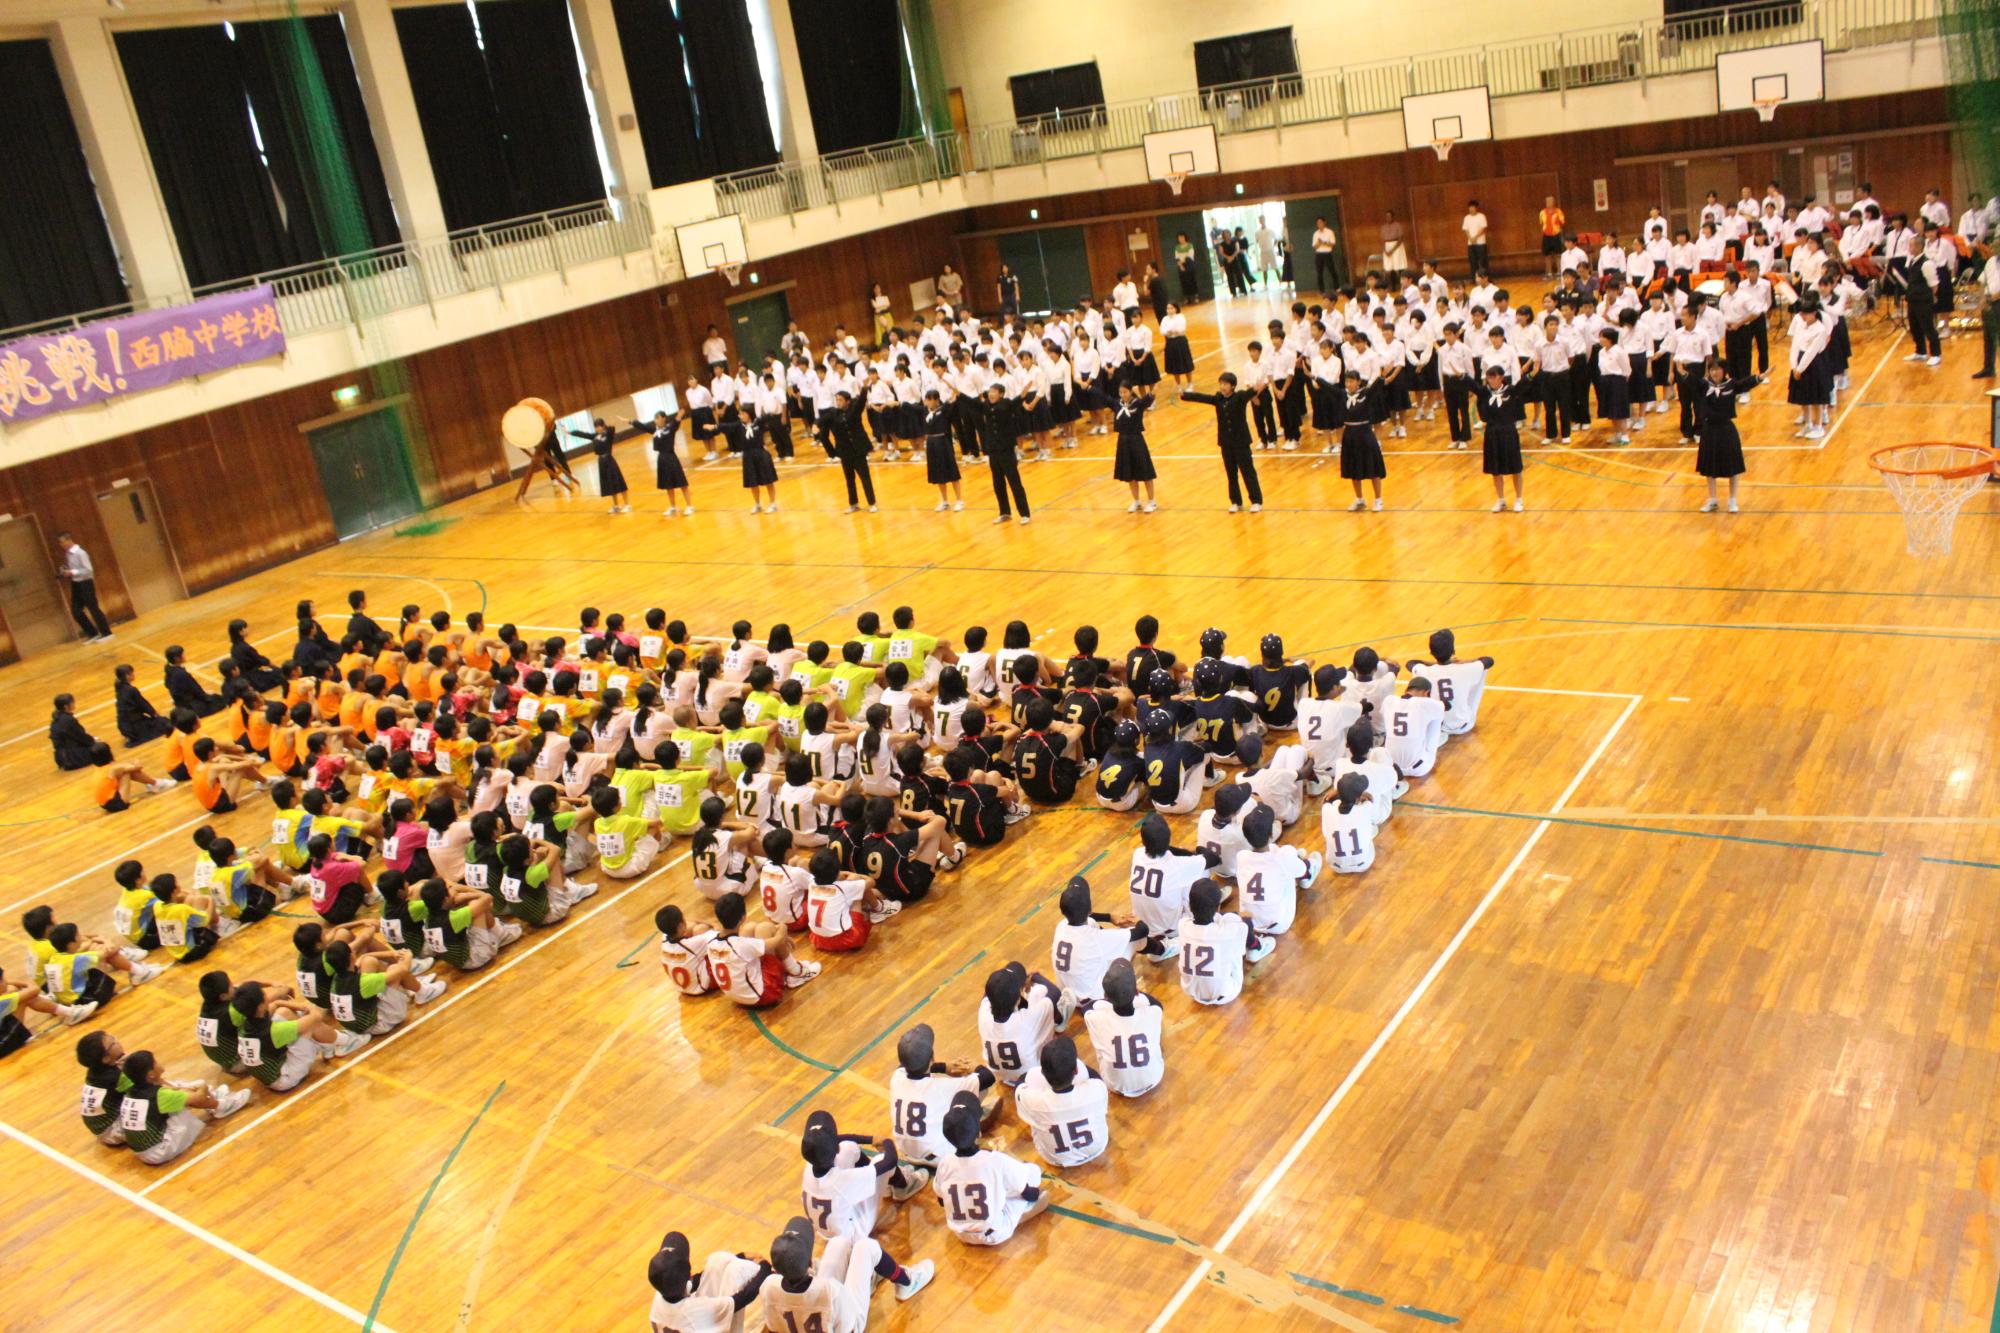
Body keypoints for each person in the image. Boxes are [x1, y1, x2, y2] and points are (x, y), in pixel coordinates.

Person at [760, 1216, 933, 1328]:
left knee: (838, 1243)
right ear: (809, 1264)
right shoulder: (831, 1290)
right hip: (845, 1323)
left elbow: (773, 1327)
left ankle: (866, 1278)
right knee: (866, 1247)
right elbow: (848, 1326)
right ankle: (907, 1282)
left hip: (816, 1307)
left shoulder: (768, 1287)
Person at [933, 1093, 1052, 1246]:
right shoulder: (994, 1160)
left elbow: (942, 1201)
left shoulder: (944, 1163)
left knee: (995, 1186)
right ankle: (1021, 1213)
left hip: (960, 1234)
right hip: (995, 1233)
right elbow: (1031, 1194)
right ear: (979, 1132)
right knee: (1033, 1172)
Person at [114, 1049, 251, 1164]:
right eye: (155, 1061)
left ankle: (214, 1098)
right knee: (182, 1101)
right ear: (150, 1074)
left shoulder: (133, 1090)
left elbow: (167, 1086)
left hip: (144, 1151)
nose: (158, 1062)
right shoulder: (158, 1095)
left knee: (178, 1090)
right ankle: (221, 1106)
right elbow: (198, 1098)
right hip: (160, 1151)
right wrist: (203, 1086)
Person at [1015, 1036, 1110, 1168]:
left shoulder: (1032, 1100)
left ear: (1042, 1073)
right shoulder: (1097, 1088)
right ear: (1076, 1070)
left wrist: (1038, 1073)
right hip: (1097, 1148)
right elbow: (1093, 1076)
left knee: (1033, 1113)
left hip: (1054, 1158)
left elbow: (1020, 1082)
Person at [645, 1231, 768, 1333]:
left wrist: (738, 1257)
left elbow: (698, 1280)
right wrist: (765, 1266)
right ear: (689, 1275)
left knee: (718, 1260)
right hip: (698, 1321)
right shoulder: (697, 1310)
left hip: (693, 1324)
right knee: (737, 1270)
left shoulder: (661, 1295)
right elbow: (744, 1297)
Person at [1050, 876, 1150, 1001]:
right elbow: (1142, 930)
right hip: (1093, 998)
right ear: (1089, 909)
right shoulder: (1096, 938)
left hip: (1068, 994)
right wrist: (1136, 919)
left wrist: (1109, 917)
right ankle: (1162, 950)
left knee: (1093, 927)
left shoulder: (1061, 926)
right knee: (1136, 939)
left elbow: (1090, 918)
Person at [1176, 878, 1270, 1006]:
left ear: (1190, 906)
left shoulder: (1182, 925)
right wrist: (1238, 916)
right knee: (1237, 923)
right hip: (1228, 993)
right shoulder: (1230, 930)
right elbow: (1246, 922)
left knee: (1227, 928)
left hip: (1191, 992)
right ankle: (1257, 947)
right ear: (1218, 907)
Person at [1231, 806, 1322, 938]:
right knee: (1289, 862)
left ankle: (1297, 859)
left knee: (1281, 860)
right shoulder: (1282, 857)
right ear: (1271, 834)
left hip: (1251, 922)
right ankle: (1309, 873)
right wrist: (1293, 858)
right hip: (1279, 923)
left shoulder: (1241, 857)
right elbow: (1298, 869)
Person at [1080, 959, 1163, 1097]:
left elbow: (1087, 1007)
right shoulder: (1153, 1012)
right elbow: (1157, 1004)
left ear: (1105, 996)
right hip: (1153, 1079)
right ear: (1137, 992)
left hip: (1115, 1086)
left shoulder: (1095, 1018)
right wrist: (1133, 991)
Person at [1182, 373, 1264, 513]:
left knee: (1248, 471)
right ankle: (1236, 501)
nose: (1222, 386)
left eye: (1225, 384)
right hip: (1226, 442)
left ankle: (1256, 501)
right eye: (1221, 383)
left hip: (1241, 442)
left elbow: (1251, 392)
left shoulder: (1239, 397)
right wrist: (1186, 395)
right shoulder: (1218, 398)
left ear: (1232, 386)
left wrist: (1256, 388)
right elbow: (1202, 398)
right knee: (1231, 473)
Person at [1695, 357, 1764, 513]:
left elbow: (1745, 383)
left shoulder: (1731, 385)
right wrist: (1680, 370)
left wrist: (1760, 377)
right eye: (1712, 369)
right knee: (1709, 466)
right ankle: (1713, 499)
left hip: (1726, 429)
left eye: (1718, 369)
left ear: (1724, 370)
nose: (1715, 372)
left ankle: (1732, 500)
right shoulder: (1704, 385)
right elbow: (1691, 381)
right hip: (1709, 430)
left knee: (1732, 466)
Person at [977, 382, 1031, 525]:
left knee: (1014, 482)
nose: (991, 394)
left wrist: (1023, 395)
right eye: (990, 391)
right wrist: (959, 395)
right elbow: (973, 403)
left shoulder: (1006, 404)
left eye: (994, 391)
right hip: (993, 451)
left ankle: (1025, 513)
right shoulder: (986, 405)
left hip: (1006, 450)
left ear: (1000, 394)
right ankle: (1005, 512)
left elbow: (1015, 403)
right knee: (998, 483)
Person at [1479, 364, 1528, 512]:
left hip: (1508, 431)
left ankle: (1519, 499)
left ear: (1501, 377)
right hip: (1492, 433)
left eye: (1493, 377)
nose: (1490, 380)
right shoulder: (1485, 393)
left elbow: (1523, 385)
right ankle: (1500, 499)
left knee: (1515, 468)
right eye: (1488, 377)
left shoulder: (1510, 391)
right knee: (1495, 469)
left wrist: (1531, 373)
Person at [1383, 677, 1446, 778]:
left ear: (1406, 690)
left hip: (1391, 766)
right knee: (1436, 718)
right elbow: (1445, 706)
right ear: (1426, 693)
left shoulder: (1388, 701)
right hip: (1419, 768)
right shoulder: (1428, 704)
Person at [1111, 382, 1158, 513]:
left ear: (1131, 391)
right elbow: (1104, 398)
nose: (1122, 395)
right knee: (1130, 474)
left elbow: (1146, 400)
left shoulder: (1137, 404)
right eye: (1120, 392)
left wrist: (1152, 393)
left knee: (1145, 472)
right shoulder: (1117, 404)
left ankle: (1152, 501)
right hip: (1123, 442)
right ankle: (1136, 501)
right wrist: (1089, 388)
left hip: (1136, 440)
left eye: (1125, 392)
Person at [56, 532, 112, 642]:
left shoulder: (81, 553)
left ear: (69, 540)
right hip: (76, 583)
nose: (61, 545)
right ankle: (93, 633)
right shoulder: (68, 554)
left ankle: (106, 632)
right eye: (60, 543)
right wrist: (66, 571)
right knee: (76, 611)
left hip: (86, 583)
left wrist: (72, 572)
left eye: (62, 542)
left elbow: (88, 570)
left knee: (93, 608)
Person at [1321, 772, 1378, 873]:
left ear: (1339, 794)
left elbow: (1326, 800)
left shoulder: (1326, 810)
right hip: (1364, 863)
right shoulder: (1366, 808)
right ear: (1358, 798)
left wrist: (1338, 792)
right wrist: (1364, 796)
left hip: (1335, 866)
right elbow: (1370, 799)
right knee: (1373, 829)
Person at [647, 409, 694, 517]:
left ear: (663, 418)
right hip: (662, 459)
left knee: (681, 483)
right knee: (668, 484)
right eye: (655, 419)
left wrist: (679, 416)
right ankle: (673, 506)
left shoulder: (669, 428)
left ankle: (689, 506)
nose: (656, 420)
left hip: (671, 457)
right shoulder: (655, 431)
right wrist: (630, 421)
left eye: (658, 418)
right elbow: (642, 426)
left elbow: (676, 423)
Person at [113, 663, 172, 746]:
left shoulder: (119, 688)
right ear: (127, 676)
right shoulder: (131, 690)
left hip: (124, 726)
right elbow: (143, 704)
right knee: (164, 723)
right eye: (131, 673)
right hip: (135, 725)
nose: (133, 674)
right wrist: (154, 714)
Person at [1538, 196, 1566, 277]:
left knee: (1558, 254)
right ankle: (1549, 273)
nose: (1549, 203)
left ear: (1554, 202)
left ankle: (1559, 272)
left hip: (1556, 235)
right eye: (1547, 202)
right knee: (1547, 255)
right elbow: (1541, 223)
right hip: (1546, 235)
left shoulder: (1558, 212)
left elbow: (1562, 222)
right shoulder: (1542, 212)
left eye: (1550, 201)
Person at [1311, 216, 1339, 292]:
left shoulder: (1330, 232)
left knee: (1332, 271)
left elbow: (1332, 244)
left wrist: (1324, 242)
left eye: (1320, 222)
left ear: (1324, 222)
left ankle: (1337, 288)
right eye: (1318, 223)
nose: (1319, 224)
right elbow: (1314, 246)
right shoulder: (1316, 233)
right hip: (1319, 254)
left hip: (1327, 253)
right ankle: (1321, 290)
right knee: (1319, 273)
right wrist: (1319, 243)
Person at [1461, 200, 1489, 276]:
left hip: (1481, 243)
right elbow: (1466, 229)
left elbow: (1483, 228)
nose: (1471, 209)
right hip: (1471, 243)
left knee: (1483, 261)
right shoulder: (1467, 218)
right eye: (1470, 207)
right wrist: (1470, 238)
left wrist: (1475, 237)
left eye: (1473, 207)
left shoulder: (1481, 216)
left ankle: (1485, 277)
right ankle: (1474, 279)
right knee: (1473, 262)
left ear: (1476, 208)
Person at [1381, 210, 1409, 276]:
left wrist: (1393, 250)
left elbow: (1400, 238)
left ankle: (1402, 280)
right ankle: (1393, 282)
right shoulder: (1383, 227)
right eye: (1387, 216)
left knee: (1399, 265)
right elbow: (1382, 240)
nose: (1388, 218)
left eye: (1390, 216)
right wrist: (1385, 250)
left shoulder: (1397, 225)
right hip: (1387, 246)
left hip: (1396, 246)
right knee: (1390, 267)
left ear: (1393, 217)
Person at [1174, 232, 1199, 302]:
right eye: (1179, 238)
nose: (1181, 239)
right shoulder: (1177, 247)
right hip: (1181, 266)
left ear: (1185, 237)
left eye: (1182, 237)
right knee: (1184, 282)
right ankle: (1187, 298)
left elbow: (1190, 255)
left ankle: (1196, 296)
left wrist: (1183, 260)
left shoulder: (1190, 245)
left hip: (1189, 265)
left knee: (1192, 280)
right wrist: (1180, 265)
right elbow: (1177, 257)